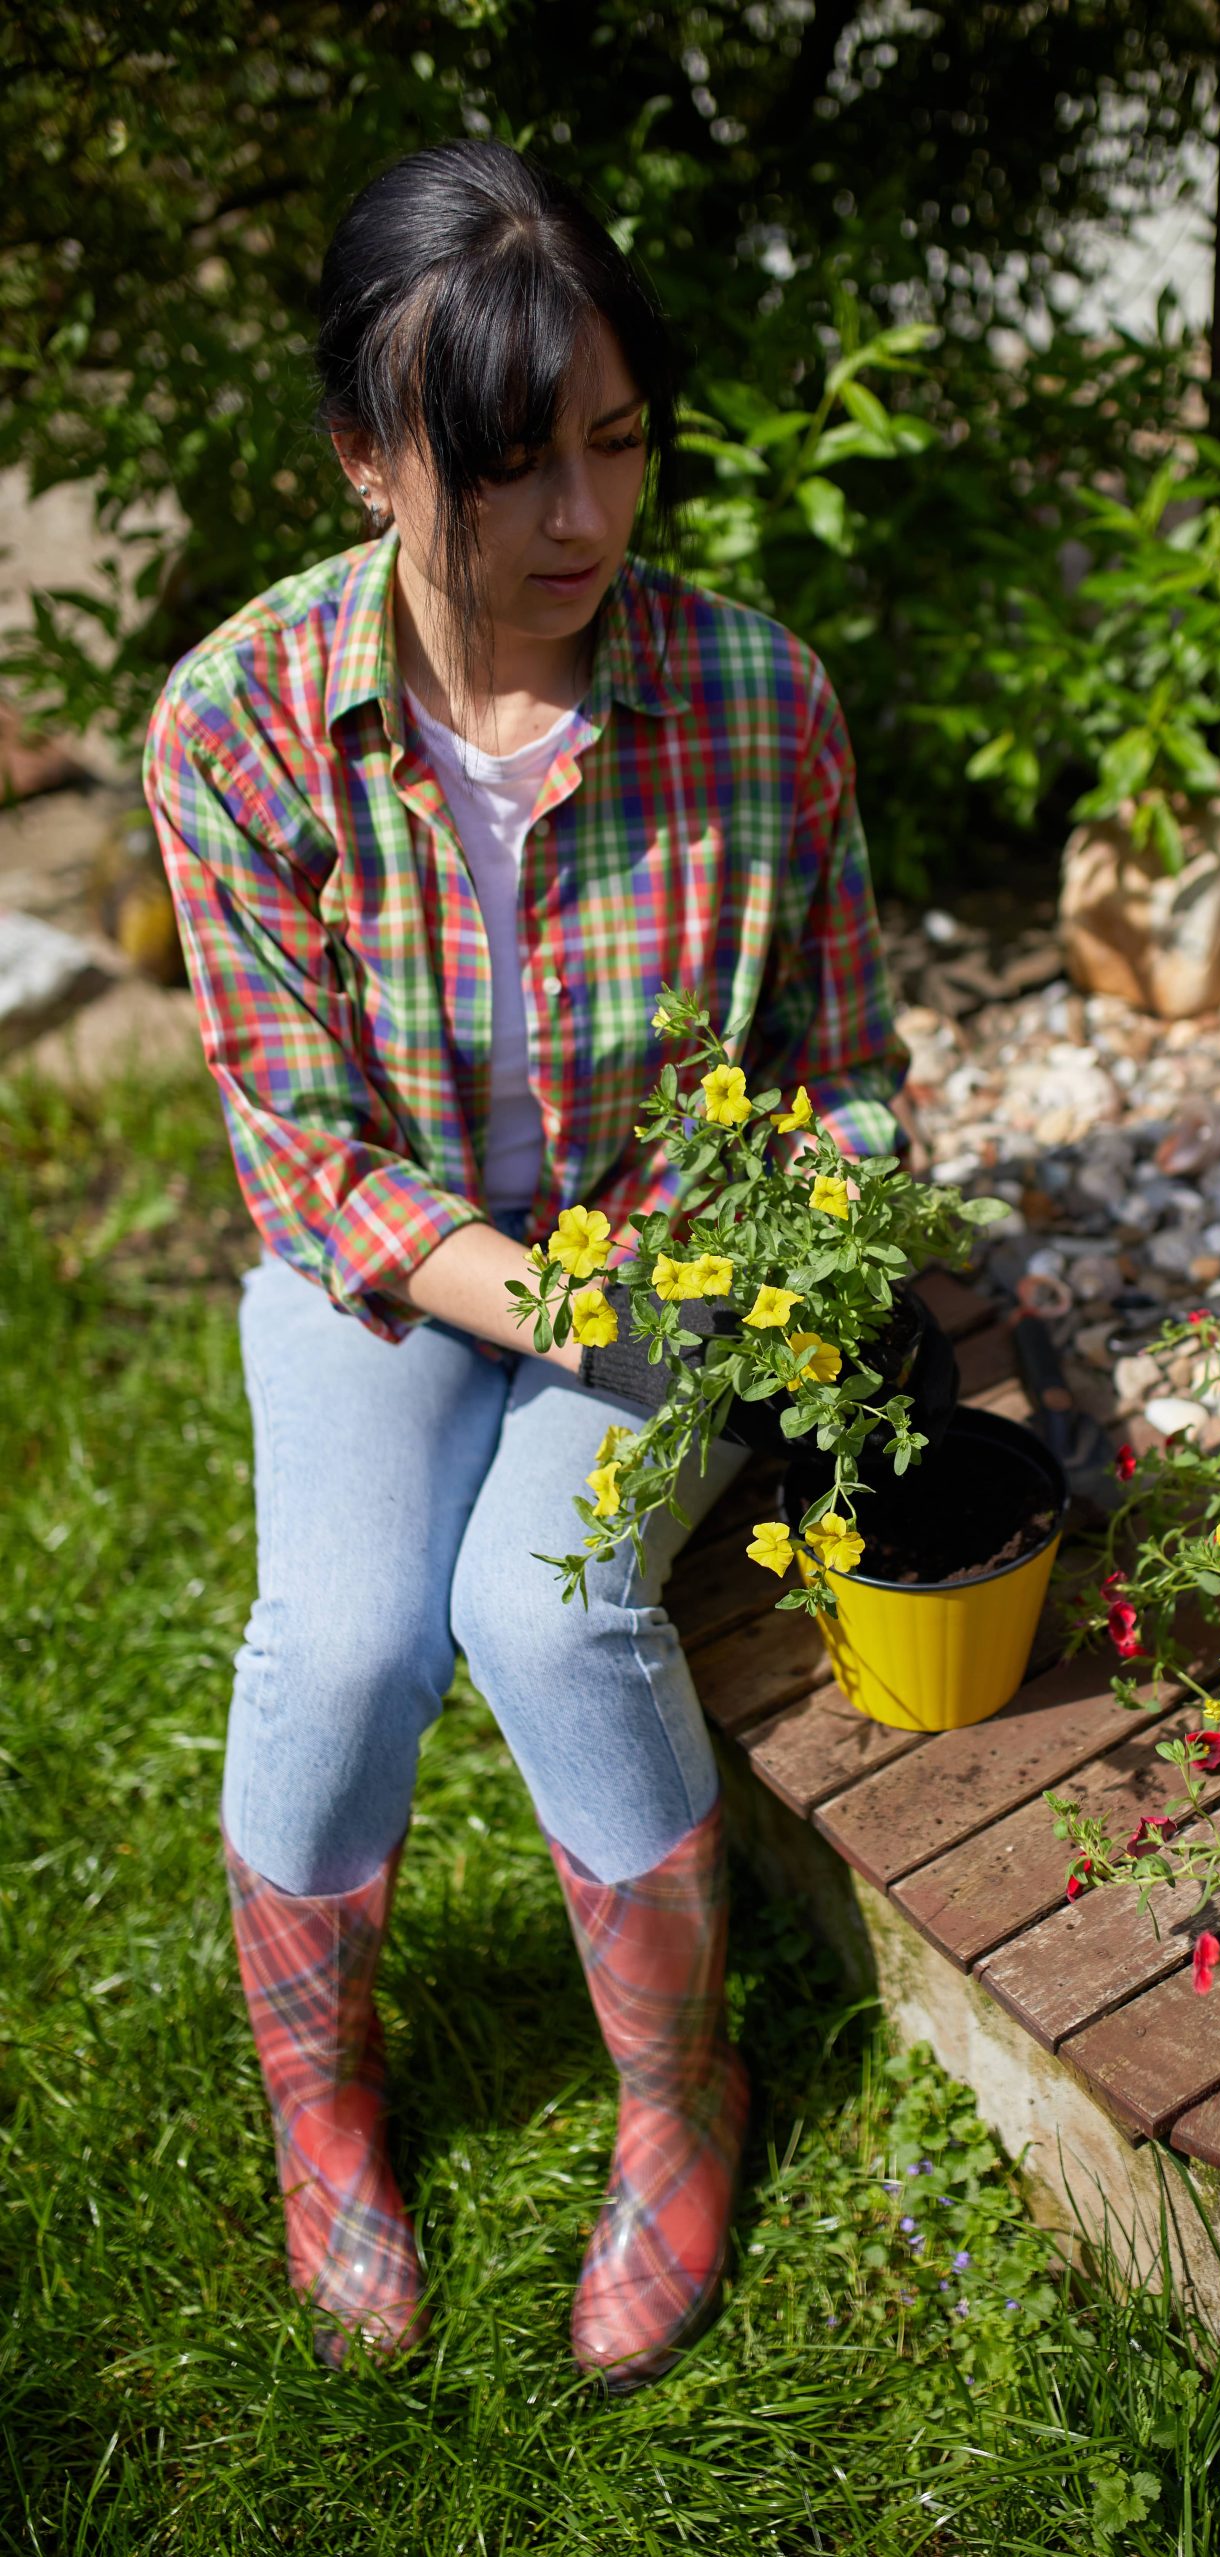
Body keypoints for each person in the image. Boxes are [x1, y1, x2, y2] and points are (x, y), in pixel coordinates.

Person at [142, 138, 935, 2389]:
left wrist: (776, 1240)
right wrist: (527, 1296)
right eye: (511, 467)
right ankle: (322, 2101)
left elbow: (854, 1068)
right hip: (382, 1268)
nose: (584, 517)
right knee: (338, 1639)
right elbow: (299, 1151)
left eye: (617, 440)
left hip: (668, 1262)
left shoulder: (754, 698)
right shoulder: (237, 718)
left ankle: (682, 2100)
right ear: (369, 459)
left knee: (540, 1598)